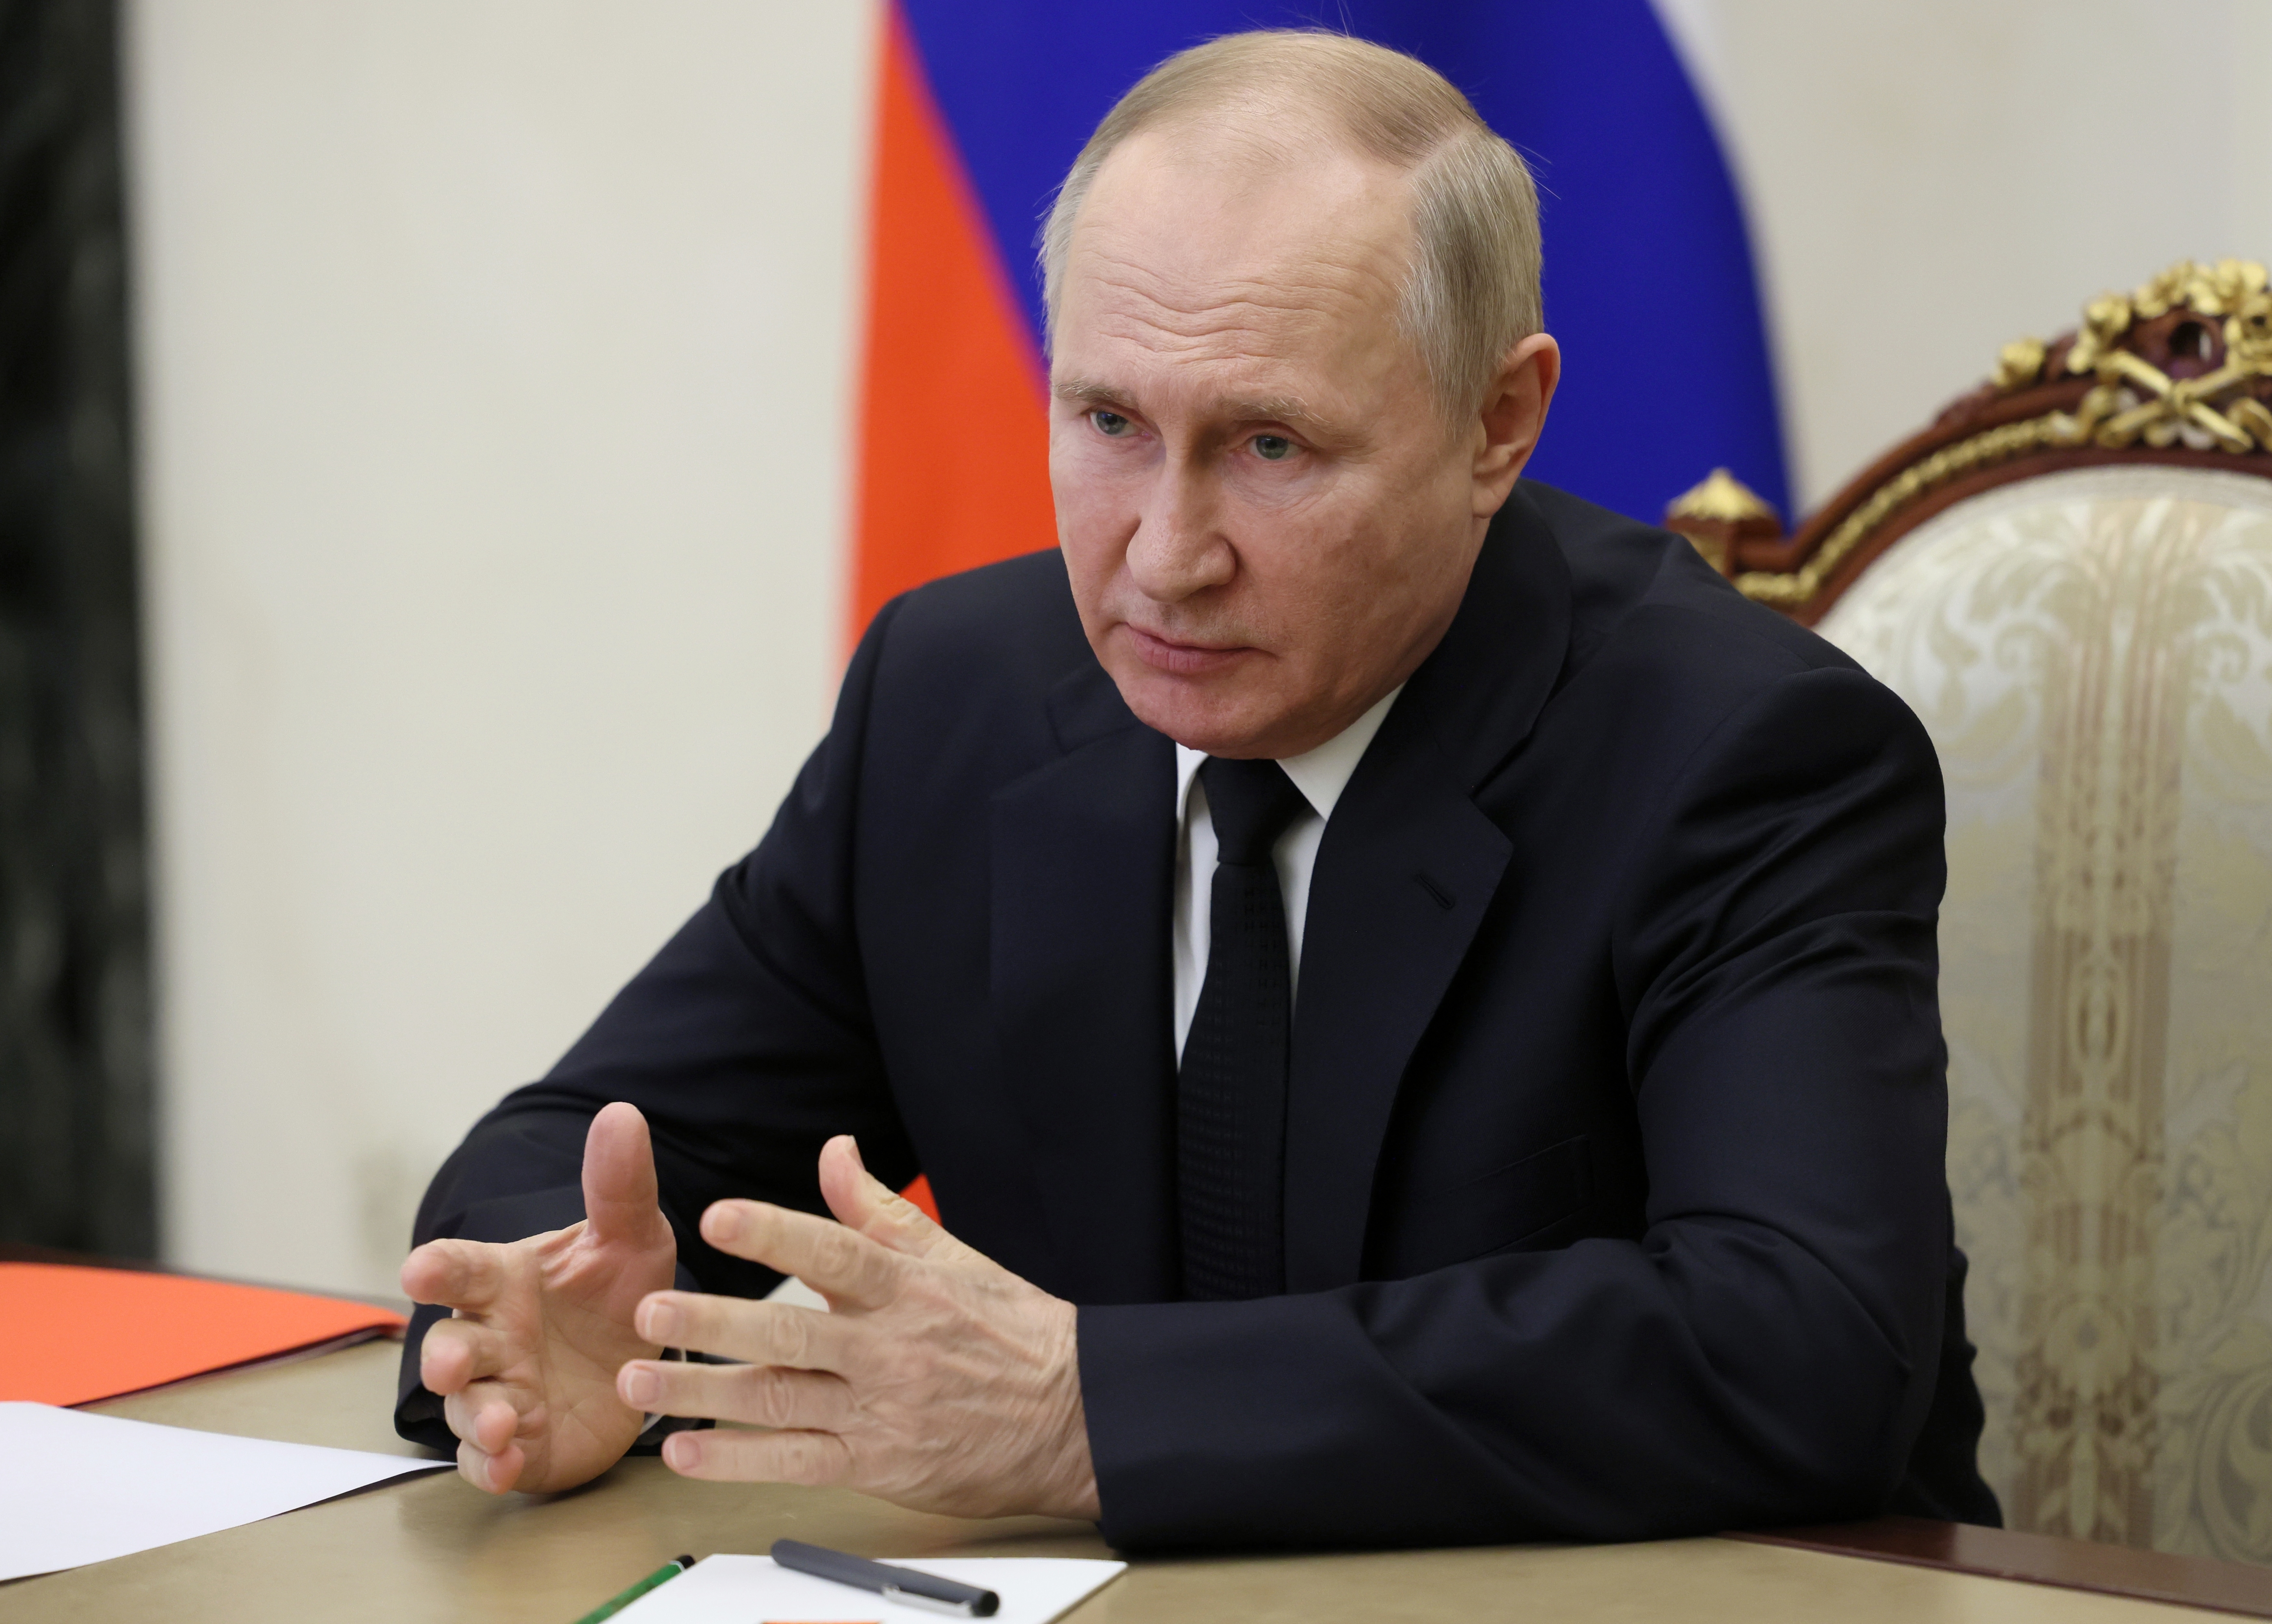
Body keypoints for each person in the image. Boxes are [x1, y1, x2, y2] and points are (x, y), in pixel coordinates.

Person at [396, 28, 1999, 1550]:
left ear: (1497, 422)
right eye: (1107, 421)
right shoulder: (955, 702)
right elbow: (581, 1144)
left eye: (1271, 447)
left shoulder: (1748, 757)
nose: (1166, 557)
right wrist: (546, 1313)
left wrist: (1089, 1414)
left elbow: (1804, 1350)